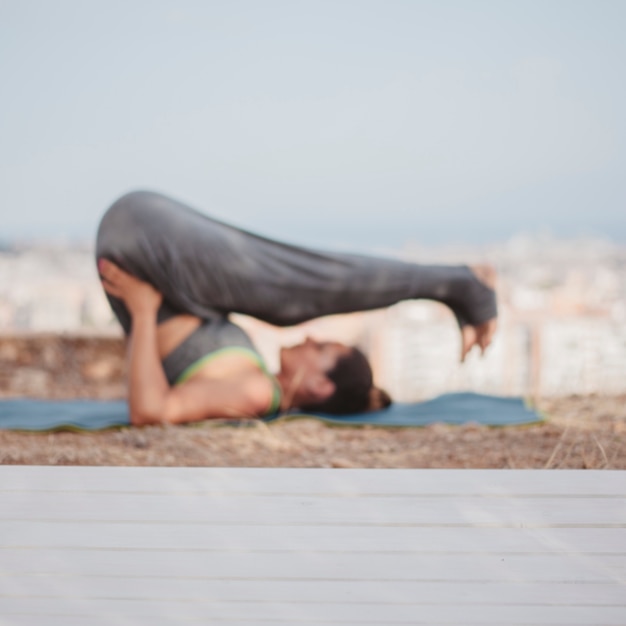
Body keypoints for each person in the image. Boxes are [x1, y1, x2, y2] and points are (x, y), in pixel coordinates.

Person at [96, 191, 497, 426]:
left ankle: (459, 284)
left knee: (295, 286)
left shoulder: (257, 393)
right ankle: (455, 284)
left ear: (320, 386)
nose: (310, 339)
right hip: (151, 242)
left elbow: (152, 411)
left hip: (140, 242)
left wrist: (143, 311)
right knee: (290, 290)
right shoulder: (260, 381)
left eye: (321, 350)